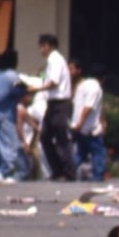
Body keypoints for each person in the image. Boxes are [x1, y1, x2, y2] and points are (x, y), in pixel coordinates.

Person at [30, 34, 75, 180]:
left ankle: (68, 172)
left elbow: (53, 83)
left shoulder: (55, 60)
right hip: (53, 103)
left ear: (51, 46)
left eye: (44, 46)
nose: (41, 50)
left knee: (61, 137)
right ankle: (57, 171)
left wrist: (36, 88)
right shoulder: (51, 61)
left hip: (59, 103)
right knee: (45, 136)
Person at [0, 50, 26, 180]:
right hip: (4, 116)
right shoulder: (12, 75)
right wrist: (41, 79)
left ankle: (1, 171)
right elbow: (23, 89)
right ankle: (16, 171)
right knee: (11, 145)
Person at [69, 60, 106, 182]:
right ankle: (98, 177)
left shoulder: (82, 85)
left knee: (80, 153)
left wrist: (76, 124)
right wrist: (81, 123)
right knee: (98, 153)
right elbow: (88, 107)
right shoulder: (95, 88)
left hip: (78, 126)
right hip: (89, 128)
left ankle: (71, 173)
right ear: (103, 77)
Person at [16, 93, 37, 180]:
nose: (30, 97)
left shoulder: (22, 109)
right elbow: (19, 128)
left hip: (25, 143)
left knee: (27, 169)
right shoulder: (20, 109)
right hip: (22, 144)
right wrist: (25, 143)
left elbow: (33, 125)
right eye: (28, 95)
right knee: (24, 170)